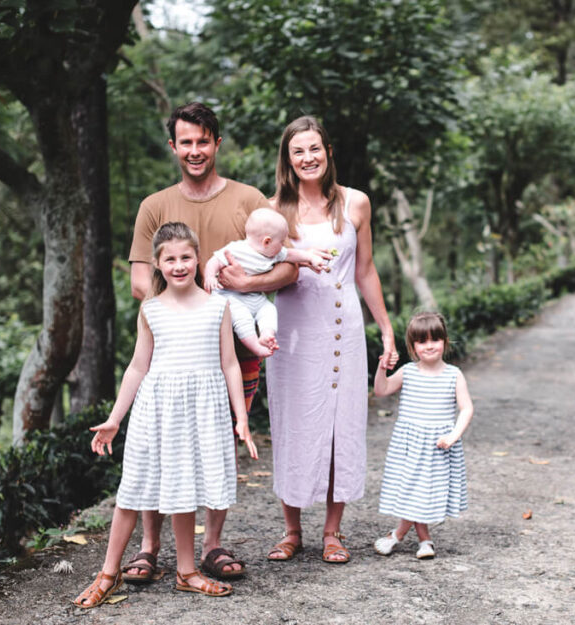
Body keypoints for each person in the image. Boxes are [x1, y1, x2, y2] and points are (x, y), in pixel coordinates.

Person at [125, 102, 297, 582]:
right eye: (186, 142)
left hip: (234, 348)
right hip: (171, 346)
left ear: (217, 143)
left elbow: (287, 265)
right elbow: (141, 280)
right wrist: (189, 301)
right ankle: (150, 547)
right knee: (161, 443)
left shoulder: (249, 200)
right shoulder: (154, 207)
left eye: (204, 141)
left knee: (220, 441)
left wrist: (242, 288)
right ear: (173, 146)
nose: (195, 151)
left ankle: (213, 546)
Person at [73, 223, 259, 608]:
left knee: (185, 490)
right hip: (156, 410)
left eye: (186, 257)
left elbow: (229, 364)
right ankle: (107, 573)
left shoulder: (217, 306)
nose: (179, 265)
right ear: (157, 263)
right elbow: (137, 367)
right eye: (169, 259)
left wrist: (240, 417)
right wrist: (114, 418)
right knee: (133, 489)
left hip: (202, 410)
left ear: (197, 259)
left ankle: (187, 572)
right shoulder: (151, 310)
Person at [265, 116, 399, 564]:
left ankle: (332, 531)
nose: (308, 158)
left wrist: (385, 327)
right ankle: (291, 530)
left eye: (315, 149)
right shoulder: (272, 211)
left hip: (342, 328)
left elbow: (365, 271)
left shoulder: (355, 203)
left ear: (328, 151)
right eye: (298, 151)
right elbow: (260, 272)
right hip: (293, 330)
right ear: (288, 158)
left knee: (341, 424)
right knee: (293, 422)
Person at [372, 312, 473, 560]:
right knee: (414, 492)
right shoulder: (408, 372)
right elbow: (381, 390)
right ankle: (424, 540)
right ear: (413, 346)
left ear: (445, 341)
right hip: (410, 446)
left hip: (438, 447)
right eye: (422, 341)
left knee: (422, 493)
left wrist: (453, 435)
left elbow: (467, 408)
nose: (429, 346)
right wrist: (381, 368)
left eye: (435, 339)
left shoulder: (454, 375)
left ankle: (397, 536)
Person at [204, 208, 330, 358]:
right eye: (282, 241)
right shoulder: (237, 249)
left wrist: (311, 258)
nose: (283, 246)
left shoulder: (273, 252)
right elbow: (214, 261)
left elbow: (292, 254)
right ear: (267, 241)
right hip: (230, 297)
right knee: (242, 317)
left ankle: (266, 335)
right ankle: (255, 346)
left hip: (254, 297)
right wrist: (210, 277)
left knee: (269, 309)